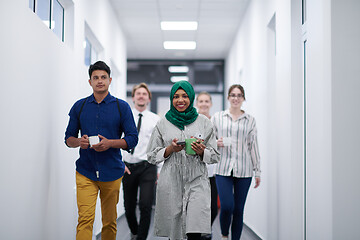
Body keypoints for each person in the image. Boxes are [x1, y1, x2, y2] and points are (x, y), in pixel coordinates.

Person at [64, 61, 138, 240]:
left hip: (112, 172)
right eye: (95, 78)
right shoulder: (79, 106)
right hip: (85, 171)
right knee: (85, 220)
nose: (99, 81)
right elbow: (68, 139)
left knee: (110, 222)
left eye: (103, 77)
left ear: (110, 80)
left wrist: (110, 143)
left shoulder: (122, 107)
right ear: (89, 81)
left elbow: (132, 138)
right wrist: (78, 142)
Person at [147, 81, 220, 240]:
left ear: (191, 97)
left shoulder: (204, 122)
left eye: (185, 96)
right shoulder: (162, 123)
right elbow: (151, 155)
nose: (180, 100)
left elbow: (215, 155)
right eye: (176, 96)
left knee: (195, 229)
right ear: (171, 99)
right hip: (171, 181)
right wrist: (170, 149)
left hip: (197, 180)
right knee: (175, 232)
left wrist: (202, 152)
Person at [211, 84, 261, 240]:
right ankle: (224, 235)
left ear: (243, 98)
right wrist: (215, 142)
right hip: (223, 168)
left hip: (244, 169)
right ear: (228, 97)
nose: (236, 98)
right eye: (233, 95)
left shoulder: (250, 120)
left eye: (239, 95)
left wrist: (257, 171)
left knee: (239, 210)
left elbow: (253, 146)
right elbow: (207, 140)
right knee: (226, 206)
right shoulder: (217, 117)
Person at [122, 83, 160, 240]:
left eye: (144, 94)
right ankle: (135, 231)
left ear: (149, 98)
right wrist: (120, 162)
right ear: (133, 97)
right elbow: (117, 140)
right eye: (138, 93)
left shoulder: (156, 120)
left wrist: (159, 169)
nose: (141, 96)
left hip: (148, 167)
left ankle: (141, 238)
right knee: (129, 208)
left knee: (145, 205)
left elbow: (160, 145)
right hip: (128, 167)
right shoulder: (124, 117)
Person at [195, 92, 218, 240]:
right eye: (201, 101)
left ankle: (206, 229)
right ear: (197, 104)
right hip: (196, 172)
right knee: (196, 208)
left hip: (212, 172)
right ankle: (197, 234)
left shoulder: (217, 122)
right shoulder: (192, 122)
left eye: (206, 101)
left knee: (213, 209)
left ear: (210, 104)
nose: (204, 104)